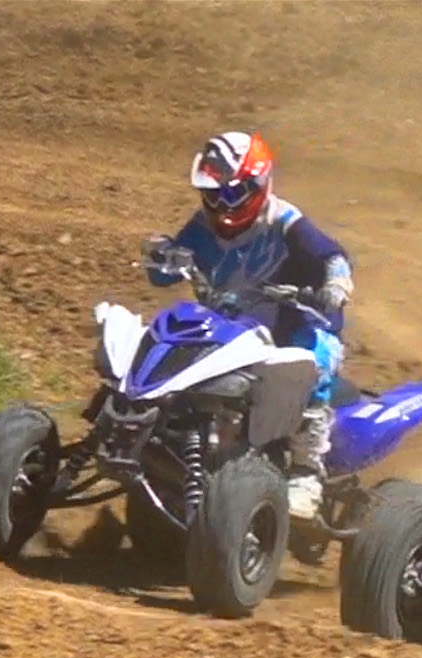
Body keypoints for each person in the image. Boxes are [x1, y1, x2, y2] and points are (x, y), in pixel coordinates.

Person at [142, 131, 354, 519]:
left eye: (234, 194)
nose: (223, 205)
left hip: (297, 324)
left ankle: (306, 472)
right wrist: (164, 256)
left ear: (259, 184)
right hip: (233, 326)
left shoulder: (283, 221)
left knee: (313, 362)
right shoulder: (203, 226)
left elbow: (331, 255)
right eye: (214, 195)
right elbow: (165, 272)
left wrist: (336, 284)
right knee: (174, 344)